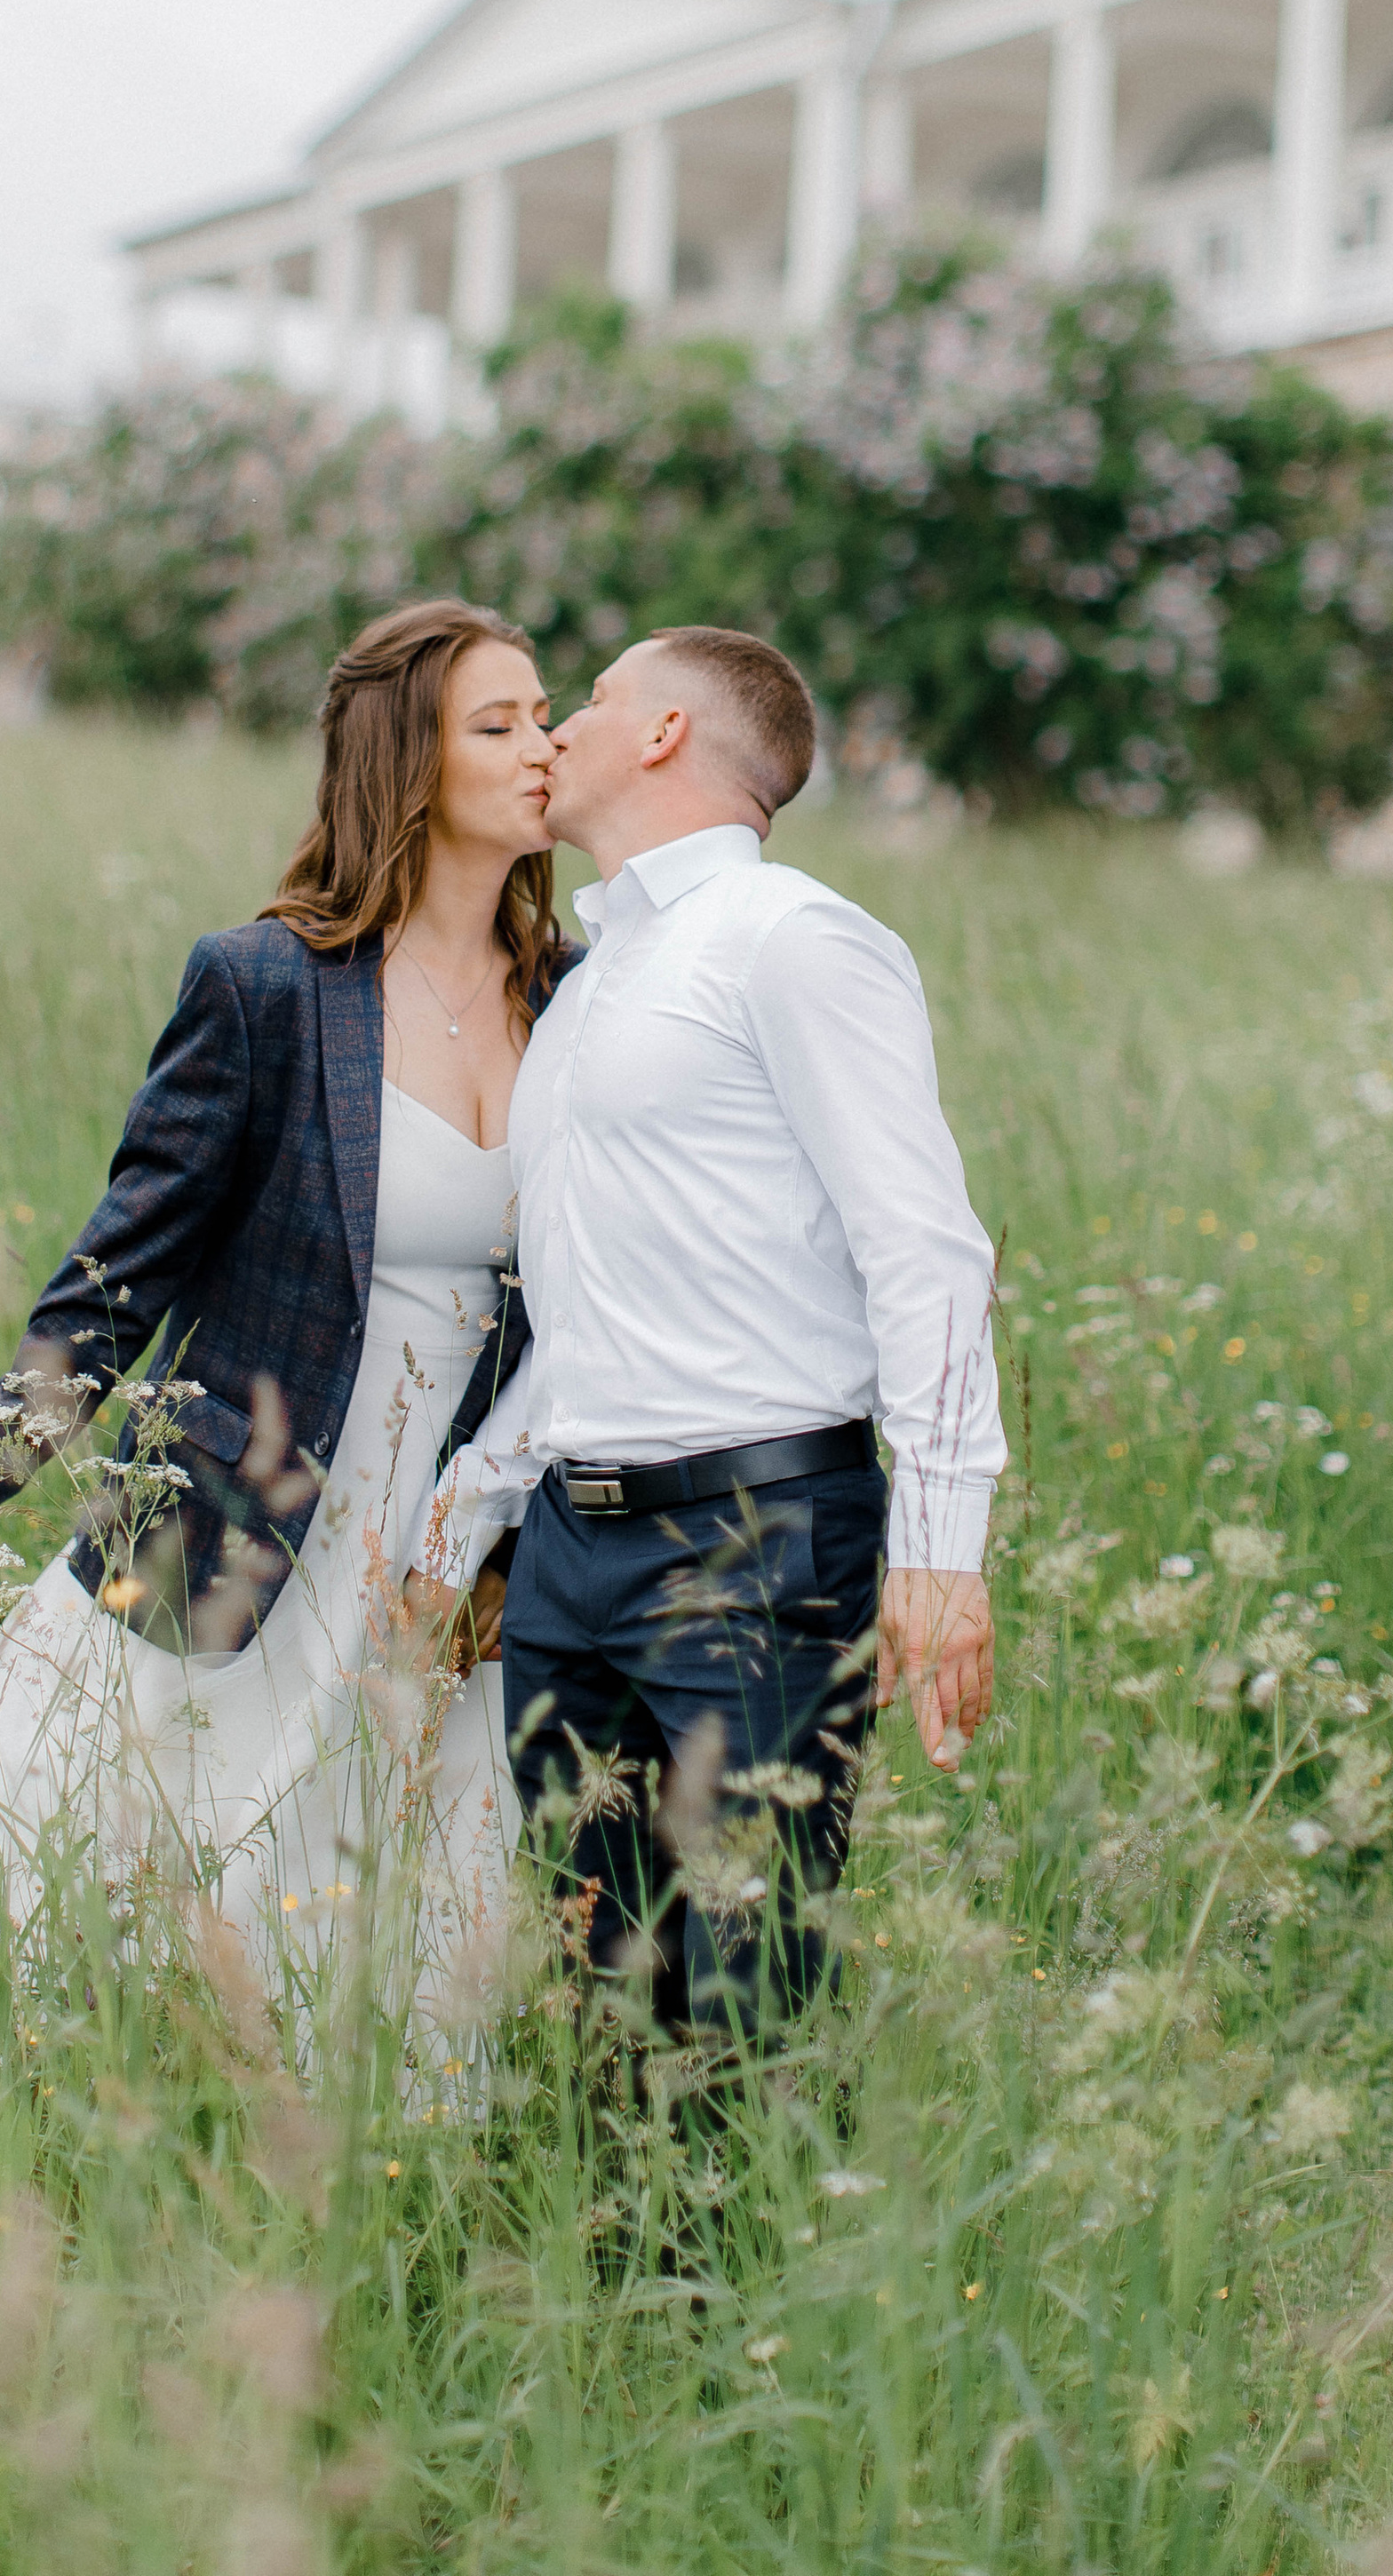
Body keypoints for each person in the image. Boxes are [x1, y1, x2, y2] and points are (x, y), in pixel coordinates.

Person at [0, 599, 567, 2035]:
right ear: (406, 766)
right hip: (229, 1500)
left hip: (450, 1537)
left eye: (545, 716)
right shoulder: (267, 988)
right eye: (499, 725)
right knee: (92, 1843)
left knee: (370, 1880)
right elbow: (124, 1272)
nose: (543, 749)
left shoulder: (579, 998)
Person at [422, 624, 1003, 2040]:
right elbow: (593, 1300)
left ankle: (753, 2260)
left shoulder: (791, 941)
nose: (556, 734)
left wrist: (941, 1544)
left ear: (669, 734)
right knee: (590, 1984)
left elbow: (921, 1243)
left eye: (594, 703)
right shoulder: (587, 984)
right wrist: (478, 1516)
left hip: (755, 1540)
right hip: (571, 1558)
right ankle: (602, 2261)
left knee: (745, 1990)